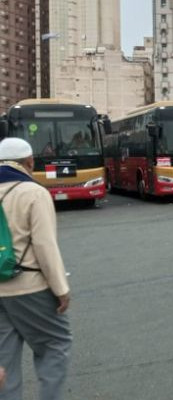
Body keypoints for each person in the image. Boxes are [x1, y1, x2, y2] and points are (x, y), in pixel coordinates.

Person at [0, 138, 71, 400]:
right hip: (28, 286)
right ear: (30, 162)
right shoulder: (33, 192)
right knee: (55, 343)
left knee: (4, 358)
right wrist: (61, 290)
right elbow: (45, 246)